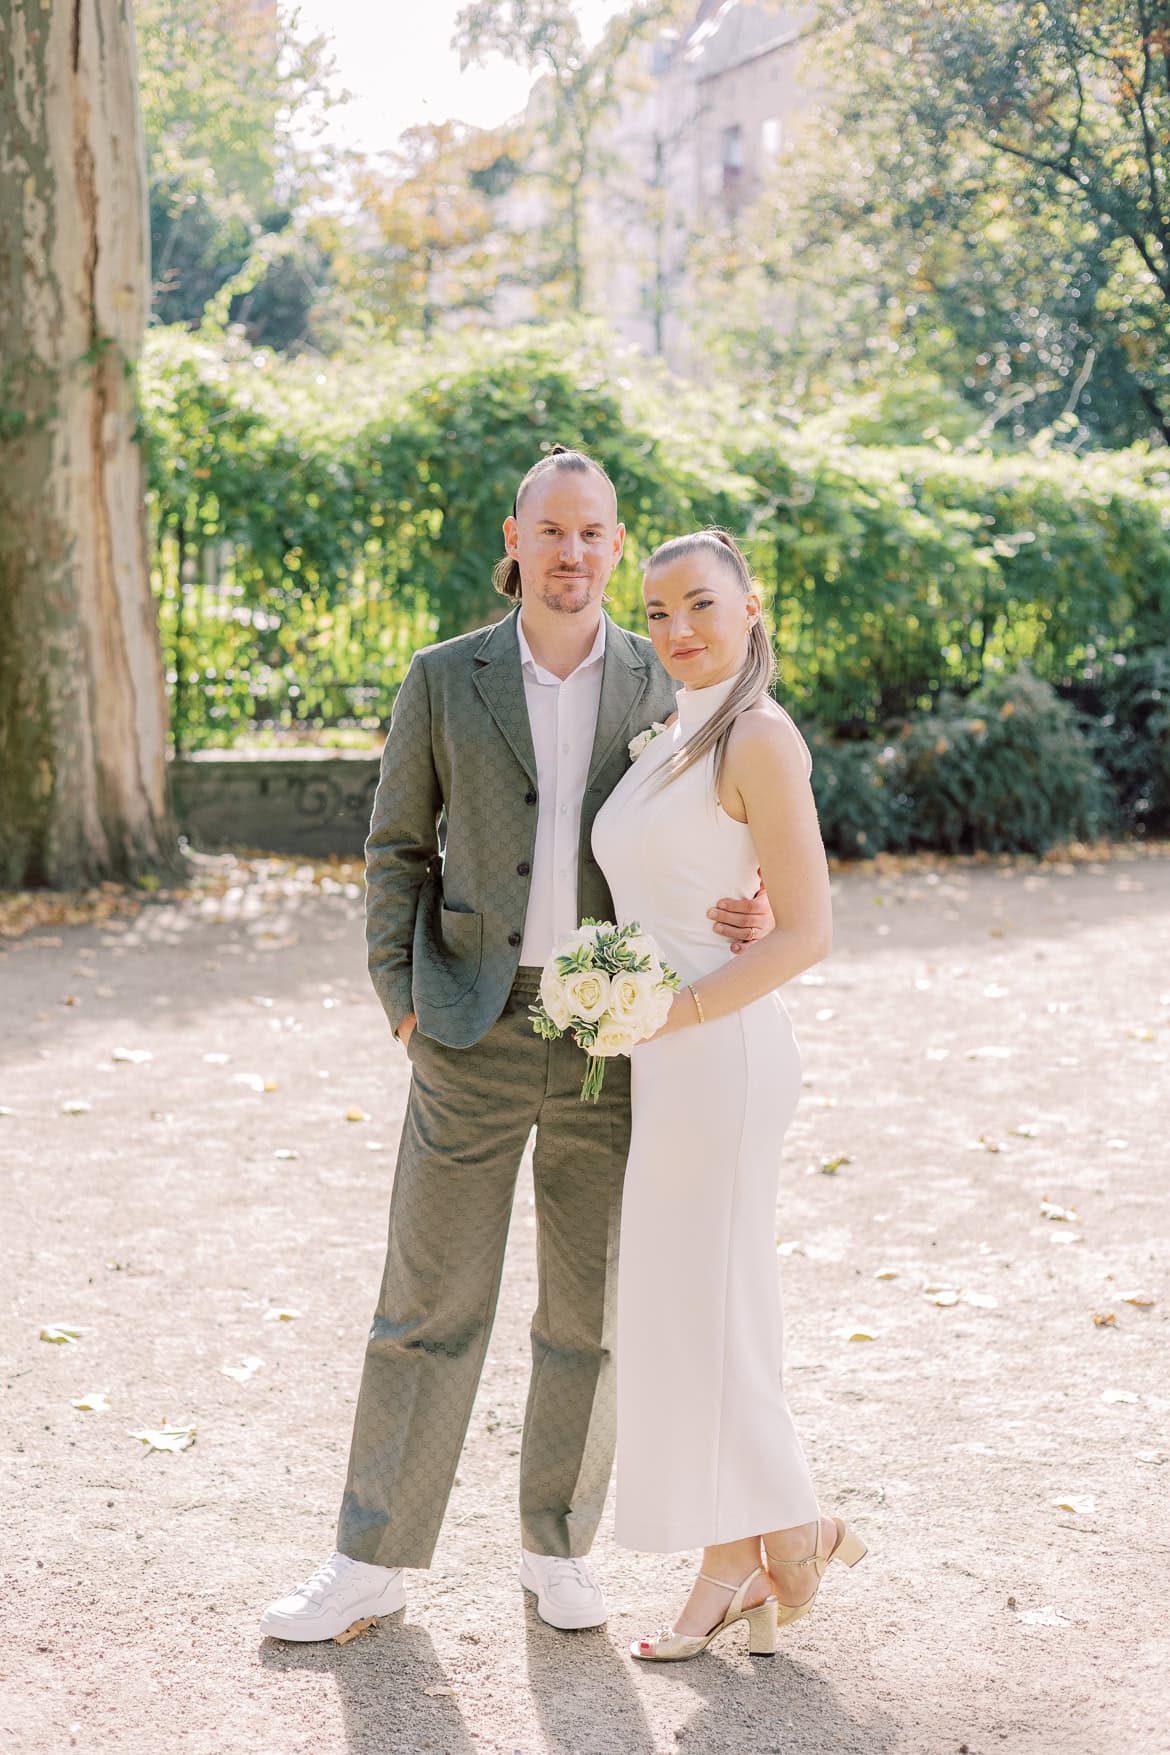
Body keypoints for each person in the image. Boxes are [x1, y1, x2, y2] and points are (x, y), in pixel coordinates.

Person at [259, 452, 773, 1642]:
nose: (573, 553)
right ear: (517, 539)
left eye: (594, 534)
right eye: (551, 531)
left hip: (617, 1037)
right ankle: (371, 1561)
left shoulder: (666, 682)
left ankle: (559, 1546)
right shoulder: (445, 677)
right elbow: (396, 849)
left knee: (586, 1315)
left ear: (613, 541)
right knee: (425, 1306)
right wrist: (402, 999)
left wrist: (742, 908)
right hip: (468, 1027)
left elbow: (727, 821)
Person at [591, 527, 867, 1662]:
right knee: (689, 1311)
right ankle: (730, 1568)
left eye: (700, 605)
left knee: (705, 1305)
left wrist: (676, 1011)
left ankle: (795, 1531)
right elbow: (698, 883)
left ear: (754, 610)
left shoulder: (758, 735)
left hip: (725, 1052)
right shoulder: (670, 733)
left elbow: (807, 930)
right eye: (656, 613)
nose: (677, 631)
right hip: (670, 1055)